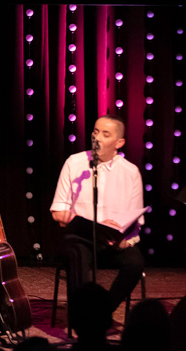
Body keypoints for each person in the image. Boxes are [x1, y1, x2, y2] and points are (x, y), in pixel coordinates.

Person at [50, 115, 145, 314]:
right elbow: (59, 211)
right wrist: (93, 224)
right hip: (81, 239)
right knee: (77, 255)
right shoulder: (74, 163)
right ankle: (82, 315)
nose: (97, 138)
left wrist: (122, 239)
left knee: (135, 264)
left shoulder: (131, 172)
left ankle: (102, 312)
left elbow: (136, 219)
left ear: (119, 143)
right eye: (95, 131)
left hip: (113, 242)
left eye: (105, 134)